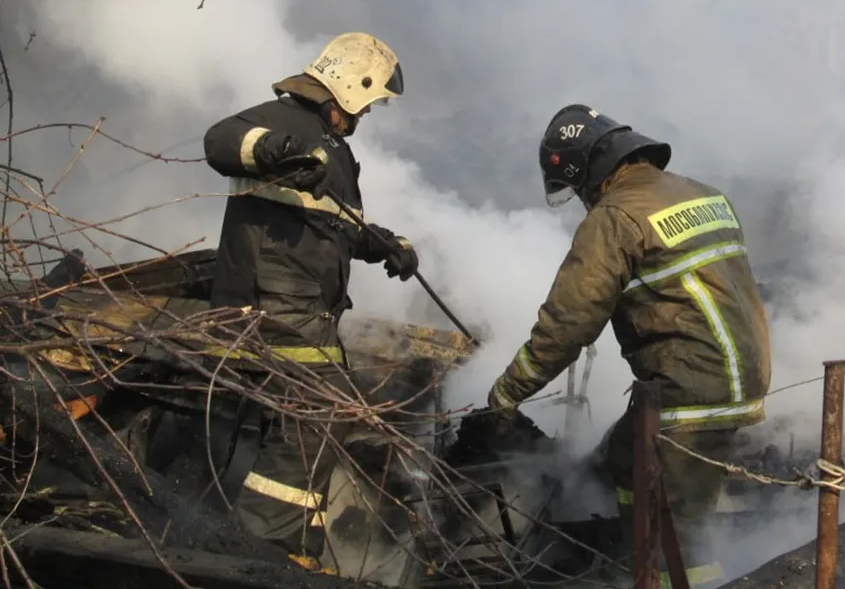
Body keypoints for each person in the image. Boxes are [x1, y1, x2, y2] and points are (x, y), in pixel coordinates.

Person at [485, 103, 771, 570]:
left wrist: (506, 393)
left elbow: (568, 324)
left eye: (577, 189)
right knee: (622, 456)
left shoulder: (615, 217)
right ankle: (629, 551)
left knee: (677, 541)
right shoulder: (702, 194)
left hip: (689, 394)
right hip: (739, 376)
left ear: (588, 173)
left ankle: (660, 570)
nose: (582, 200)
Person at [201, 31, 420, 562]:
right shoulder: (281, 121)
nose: (365, 115)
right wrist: (278, 151)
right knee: (322, 411)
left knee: (328, 415)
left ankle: (300, 544)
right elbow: (219, 140)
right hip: (269, 310)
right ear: (349, 86)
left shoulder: (334, 149)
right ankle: (263, 548)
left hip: (305, 313)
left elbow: (336, 226)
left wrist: (388, 246)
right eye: (367, 103)